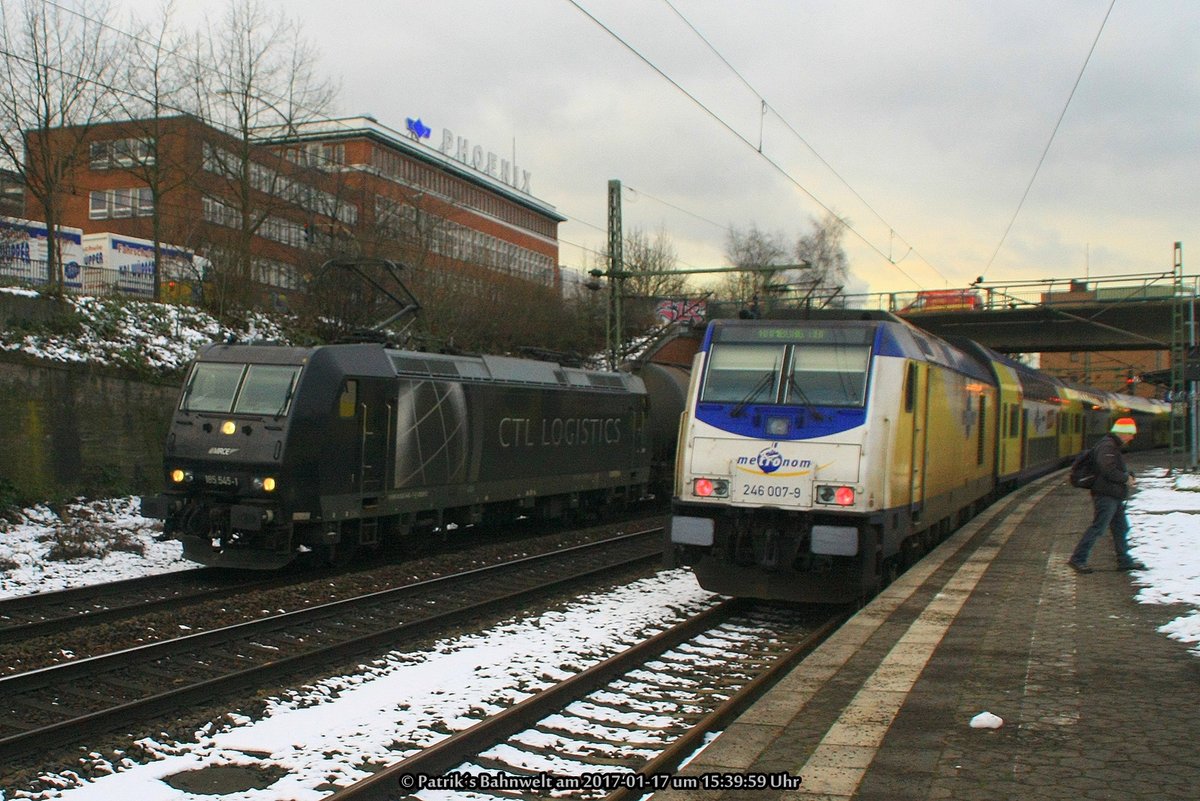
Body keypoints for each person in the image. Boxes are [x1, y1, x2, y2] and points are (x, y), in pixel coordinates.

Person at [1068, 417, 1146, 574]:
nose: (1132, 437)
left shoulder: (1111, 446)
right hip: (1106, 494)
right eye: (1130, 434)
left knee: (1121, 528)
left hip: (1113, 494)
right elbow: (1108, 470)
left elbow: (1111, 468)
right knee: (1098, 527)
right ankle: (1078, 559)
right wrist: (1126, 478)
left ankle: (1124, 560)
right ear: (1123, 433)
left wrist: (1126, 475)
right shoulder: (1107, 447)